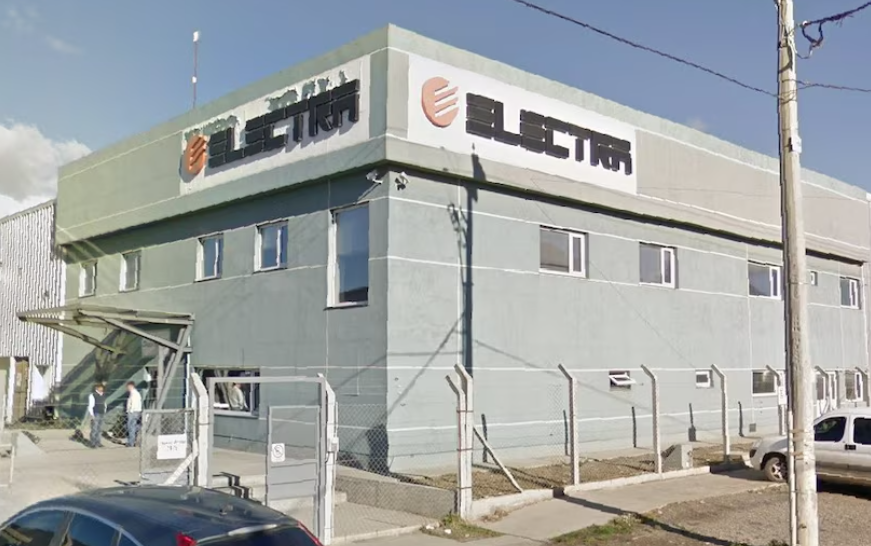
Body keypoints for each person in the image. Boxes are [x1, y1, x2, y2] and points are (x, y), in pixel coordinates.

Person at [87, 383, 107, 448]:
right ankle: (93, 443)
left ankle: (98, 442)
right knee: (94, 429)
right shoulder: (93, 395)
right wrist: (92, 415)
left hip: (102, 413)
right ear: (97, 388)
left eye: (102, 387)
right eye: (100, 387)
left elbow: (104, 403)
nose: (102, 389)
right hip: (96, 413)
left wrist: (105, 410)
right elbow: (90, 406)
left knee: (100, 429)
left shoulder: (103, 395)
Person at [125, 381, 143, 448]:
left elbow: (133, 403)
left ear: (131, 386)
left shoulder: (134, 394)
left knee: (131, 427)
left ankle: (131, 442)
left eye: (128, 387)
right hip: (136, 411)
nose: (127, 388)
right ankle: (131, 441)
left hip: (133, 412)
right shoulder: (135, 393)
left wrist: (130, 411)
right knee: (132, 426)